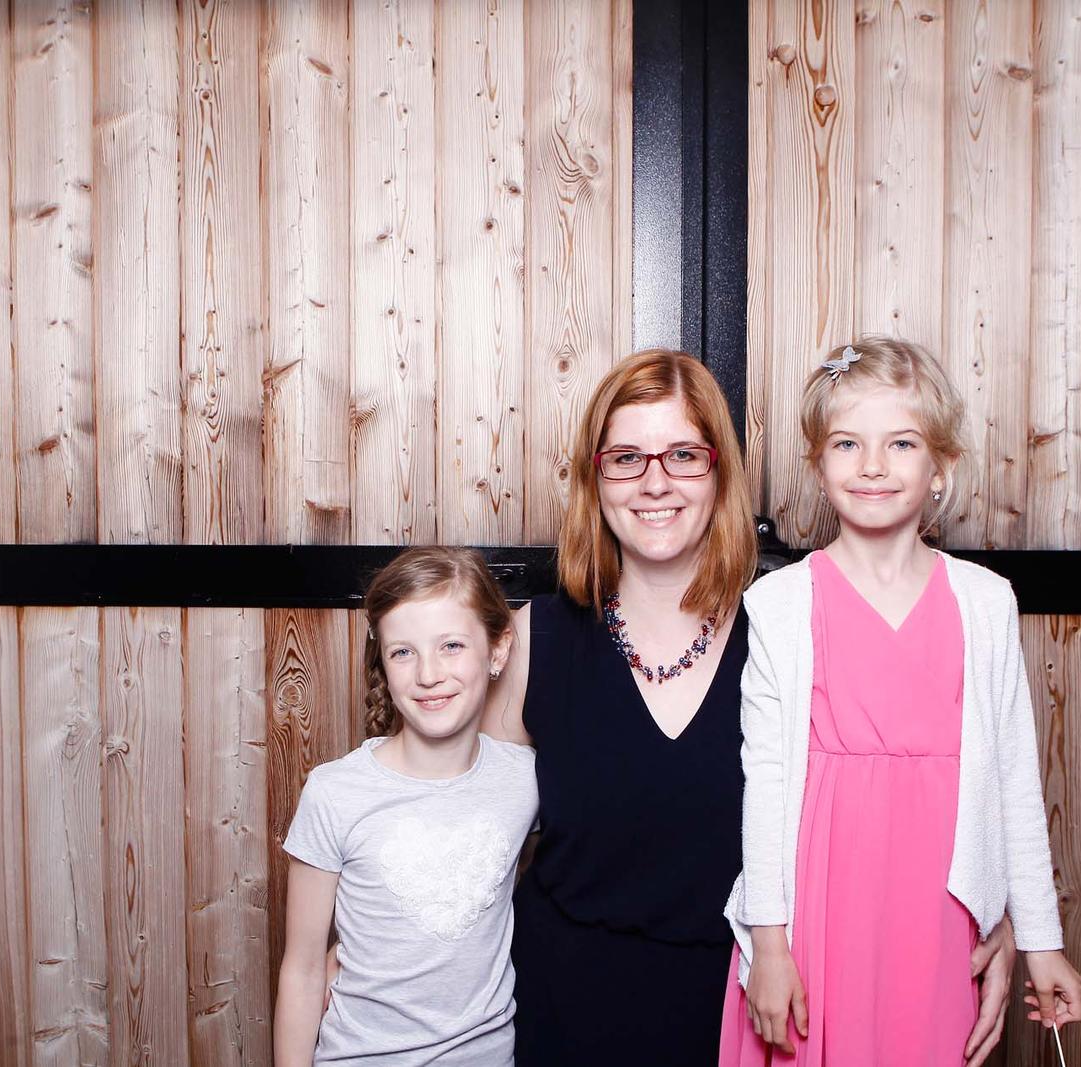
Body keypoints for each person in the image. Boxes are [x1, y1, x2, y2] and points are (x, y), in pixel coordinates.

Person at [483, 348, 1019, 1066]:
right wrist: (367, 948)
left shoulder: (788, 630)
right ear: (593, 478)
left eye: (683, 455)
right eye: (626, 458)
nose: (655, 482)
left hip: (750, 1013)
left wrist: (990, 917)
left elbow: (905, 799)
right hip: (560, 1013)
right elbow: (472, 845)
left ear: (720, 473)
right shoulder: (534, 639)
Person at [718, 336, 1081, 1066]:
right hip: (815, 910)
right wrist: (769, 939)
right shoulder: (782, 604)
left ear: (940, 466)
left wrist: (1042, 940)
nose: (873, 465)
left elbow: (1014, 779)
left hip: (937, 913)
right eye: (847, 443)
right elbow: (766, 780)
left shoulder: (984, 603)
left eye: (902, 443)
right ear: (819, 465)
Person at [273, 547, 538, 1066]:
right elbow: (302, 969)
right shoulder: (336, 792)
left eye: (452, 646)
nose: (428, 674)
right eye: (403, 653)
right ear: (384, 664)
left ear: (498, 650)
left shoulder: (524, 780)